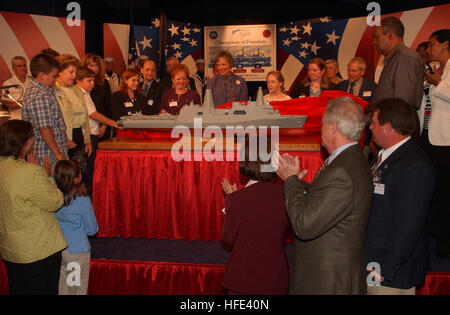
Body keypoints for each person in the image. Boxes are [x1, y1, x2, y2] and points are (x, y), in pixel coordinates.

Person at [276, 96, 373, 295]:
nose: (320, 129)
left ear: (332, 128)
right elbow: (328, 200)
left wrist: (292, 181)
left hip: (327, 281)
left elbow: (304, 224)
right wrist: (299, 183)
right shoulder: (350, 159)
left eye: (322, 124)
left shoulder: (342, 171)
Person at [365, 98, 435, 295]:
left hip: (389, 272)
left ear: (388, 127)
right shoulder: (384, 156)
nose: (370, 127)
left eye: (374, 122)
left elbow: (409, 225)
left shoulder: (414, 165)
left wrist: (385, 268)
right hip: (373, 261)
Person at [0, 120, 67, 295]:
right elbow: (56, 202)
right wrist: (48, 178)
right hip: (38, 249)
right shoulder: (31, 172)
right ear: (27, 142)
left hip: (11, 249)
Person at [221, 136, 289, 295]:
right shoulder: (287, 195)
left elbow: (227, 237)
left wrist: (231, 203)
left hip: (243, 281)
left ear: (244, 162)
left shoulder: (238, 199)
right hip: (275, 279)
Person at [419, 29, 450, 258]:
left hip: (446, 141)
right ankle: (434, 236)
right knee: (432, 189)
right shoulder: (438, 69)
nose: (429, 50)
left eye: (432, 45)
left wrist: (438, 83)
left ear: (445, 45)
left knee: (445, 192)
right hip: (429, 136)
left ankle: (444, 246)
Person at [54, 159, 98, 295]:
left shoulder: (54, 196)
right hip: (77, 252)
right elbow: (93, 229)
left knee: (63, 288)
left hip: (59, 248)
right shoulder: (82, 200)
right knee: (76, 290)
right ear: (77, 178)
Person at [75, 67, 121, 191]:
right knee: (88, 170)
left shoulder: (87, 94)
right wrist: (114, 124)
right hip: (87, 137)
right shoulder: (81, 95)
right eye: (89, 80)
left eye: (93, 80)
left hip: (93, 135)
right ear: (78, 81)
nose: (93, 84)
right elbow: (93, 114)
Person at [370, 17, 424, 114]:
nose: (374, 42)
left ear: (390, 35)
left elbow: (402, 102)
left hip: (394, 124)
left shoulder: (404, 57)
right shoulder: (395, 58)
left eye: (376, 37)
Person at [22, 53, 68, 164]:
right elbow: (44, 129)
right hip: (47, 156)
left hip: (52, 152)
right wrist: (59, 155)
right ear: (42, 75)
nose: (56, 79)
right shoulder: (39, 95)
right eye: (54, 76)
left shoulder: (45, 91)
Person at [54, 54, 92, 175]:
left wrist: (88, 140)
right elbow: (54, 120)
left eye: (75, 72)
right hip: (64, 139)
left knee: (80, 172)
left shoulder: (76, 90)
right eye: (71, 72)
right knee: (67, 175)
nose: (74, 76)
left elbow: (85, 116)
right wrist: (65, 139)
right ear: (59, 72)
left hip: (79, 135)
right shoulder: (52, 90)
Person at [81, 53, 112, 141]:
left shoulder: (104, 83)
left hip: (103, 125)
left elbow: (108, 106)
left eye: (96, 65)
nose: (94, 68)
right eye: (91, 65)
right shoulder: (79, 84)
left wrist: (104, 125)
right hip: (85, 127)